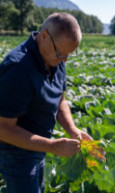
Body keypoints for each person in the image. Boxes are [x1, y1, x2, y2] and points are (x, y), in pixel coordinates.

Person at [0, 12, 93, 193]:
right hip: (16, 153)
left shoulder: (55, 57)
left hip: (39, 146)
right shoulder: (17, 69)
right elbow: (3, 128)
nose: (64, 59)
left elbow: (60, 101)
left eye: (69, 54)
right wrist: (53, 146)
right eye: (61, 53)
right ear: (43, 36)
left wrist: (73, 130)